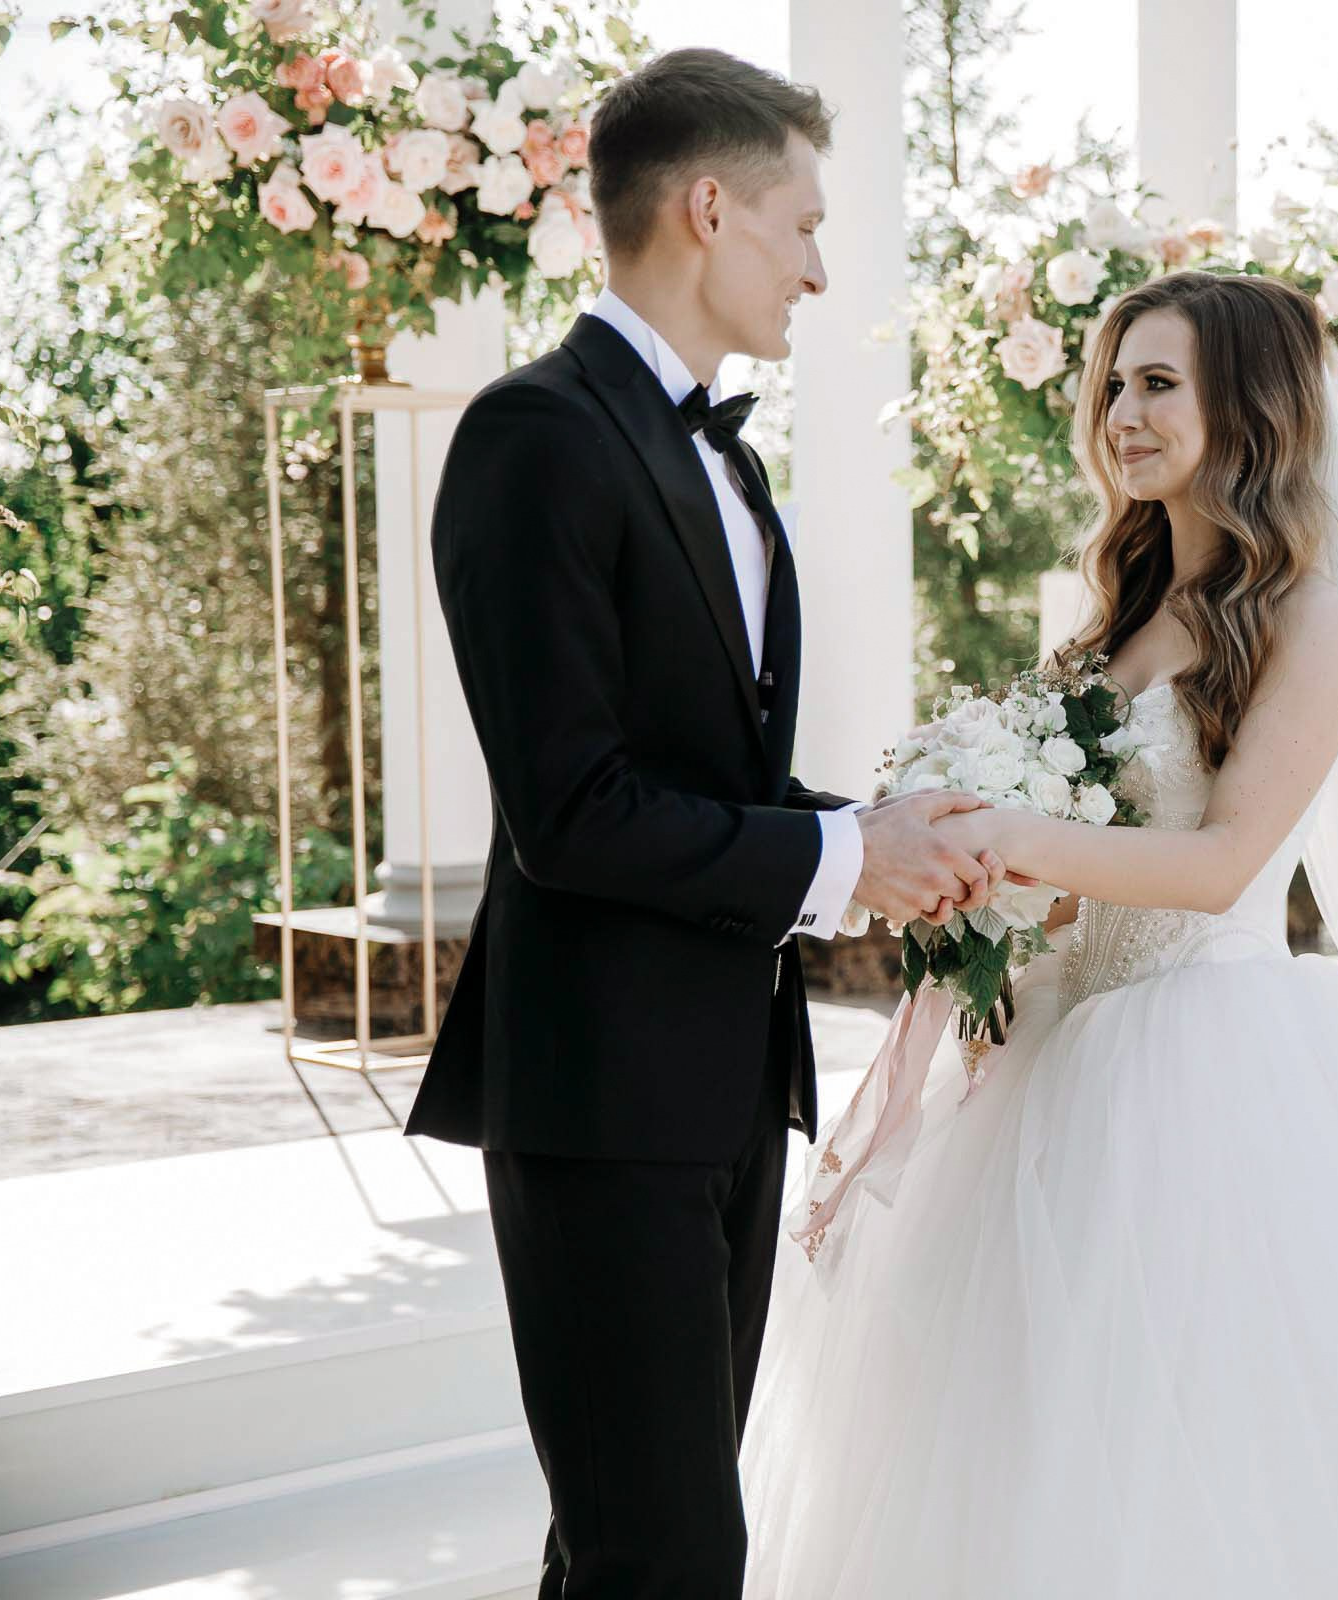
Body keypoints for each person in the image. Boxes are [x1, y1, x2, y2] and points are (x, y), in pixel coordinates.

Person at [737, 270, 1338, 1599]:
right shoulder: (1105, 613)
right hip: (1046, 1057)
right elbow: (1081, 863)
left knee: (1200, 1462)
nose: (1122, 409)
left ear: (1252, 406)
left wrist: (1004, 836)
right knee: (1013, 1442)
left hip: (1209, 1069)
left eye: (1159, 382)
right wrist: (993, 918)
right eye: (1113, 382)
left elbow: (1225, 864)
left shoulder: (1313, 621)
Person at [407, 48, 1010, 1597]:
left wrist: (880, 831)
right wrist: (838, 861)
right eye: (801, 225)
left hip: (725, 1087)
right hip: (600, 1096)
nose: (819, 267)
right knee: (666, 1558)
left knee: (630, 1550)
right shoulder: (535, 436)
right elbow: (572, 810)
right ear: (706, 208)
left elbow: (709, 774)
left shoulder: (718, 460)